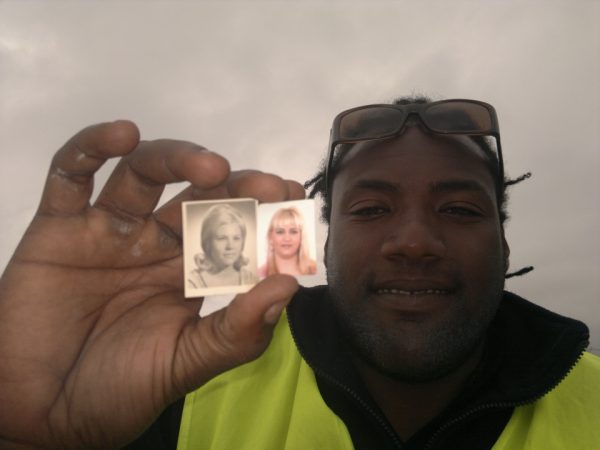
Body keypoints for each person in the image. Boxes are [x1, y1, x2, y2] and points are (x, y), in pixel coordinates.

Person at [0, 97, 598, 450]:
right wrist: (28, 434)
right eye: (371, 208)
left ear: (503, 237)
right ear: (327, 236)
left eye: (461, 209)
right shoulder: (184, 393)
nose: (414, 241)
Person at [187, 203, 256, 289]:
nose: (230, 246)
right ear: (207, 242)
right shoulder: (192, 282)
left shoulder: (250, 280)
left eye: (236, 238)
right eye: (222, 238)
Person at [258, 206, 317, 278]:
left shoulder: (316, 270)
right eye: (280, 232)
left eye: (293, 232)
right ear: (270, 237)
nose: (287, 238)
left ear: (302, 236)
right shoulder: (260, 274)